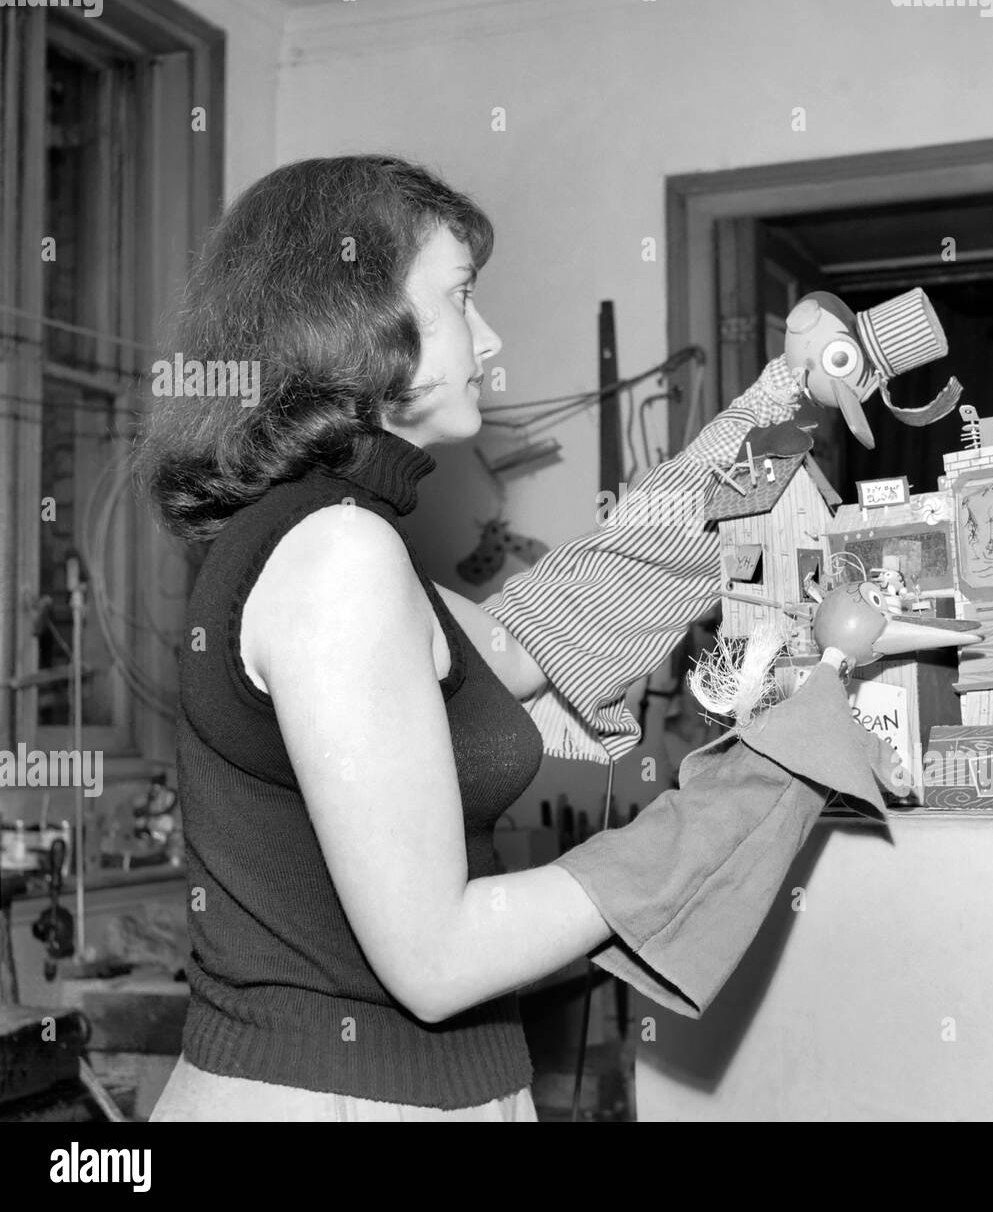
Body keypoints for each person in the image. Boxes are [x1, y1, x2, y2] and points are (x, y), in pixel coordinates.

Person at [137, 155, 806, 1121]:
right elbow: (438, 957)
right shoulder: (338, 554)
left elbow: (552, 627)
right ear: (360, 320)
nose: (489, 340)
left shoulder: (328, 534)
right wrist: (758, 786)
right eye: (462, 298)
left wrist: (790, 403)